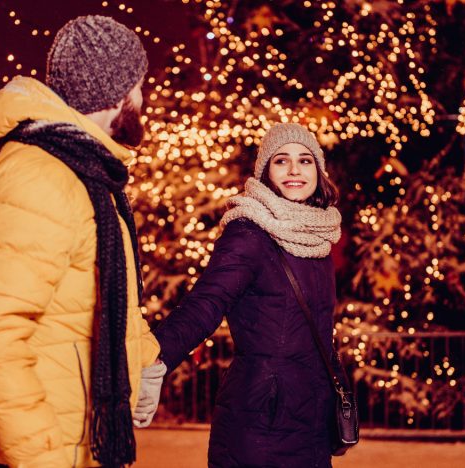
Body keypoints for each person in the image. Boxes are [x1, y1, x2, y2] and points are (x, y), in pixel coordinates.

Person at [0, 15, 165, 468]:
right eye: (138, 85)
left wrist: (147, 361)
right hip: (37, 448)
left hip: (75, 437)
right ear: (116, 94)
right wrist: (41, 455)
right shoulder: (41, 177)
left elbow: (99, 295)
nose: (143, 98)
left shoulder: (82, 172)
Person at [147, 123, 343, 467]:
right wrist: (155, 358)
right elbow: (206, 303)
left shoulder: (320, 236)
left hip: (312, 417)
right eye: (281, 160)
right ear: (265, 172)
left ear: (319, 171)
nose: (295, 170)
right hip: (261, 416)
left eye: (305, 160)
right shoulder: (249, 233)